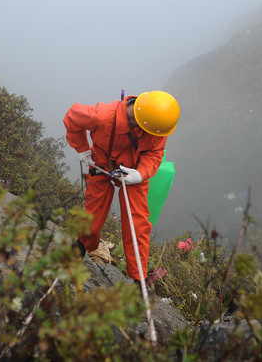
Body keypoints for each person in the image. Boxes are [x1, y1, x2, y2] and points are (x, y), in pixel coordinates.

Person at [63, 90, 179, 284]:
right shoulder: (103, 116)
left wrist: (140, 174)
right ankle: (82, 247)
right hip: (102, 163)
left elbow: (155, 153)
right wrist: (82, 148)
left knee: (137, 226)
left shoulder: (156, 125)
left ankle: (138, 278)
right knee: (93, 216)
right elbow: (73, 116)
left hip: (134, 171)